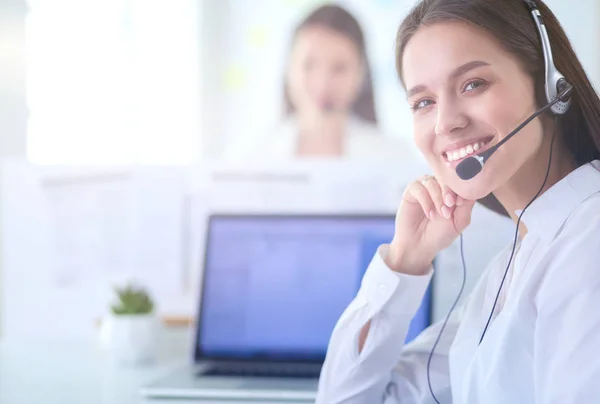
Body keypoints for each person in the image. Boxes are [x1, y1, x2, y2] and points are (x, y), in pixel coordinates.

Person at [315, 0, 600, 403]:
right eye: (423, 102)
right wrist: (404, 261)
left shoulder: (588, 242)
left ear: (551, 85)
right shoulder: (516, 263)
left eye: (473, 84)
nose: (446, 122)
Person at [223, 4, 415, 161]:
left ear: (361, 73)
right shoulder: (248, 157)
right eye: (309, 65)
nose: (323, 83)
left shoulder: (394, 157)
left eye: (339, 68)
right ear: (288, 67)